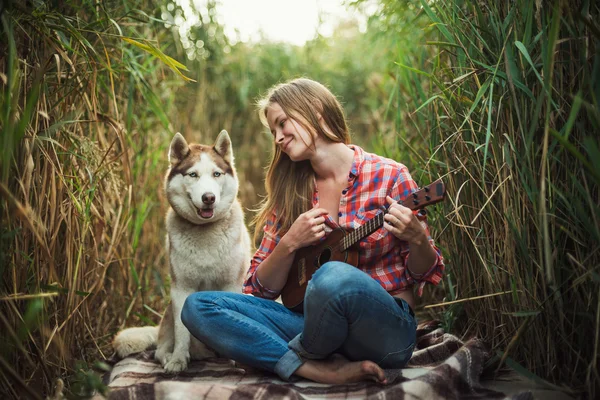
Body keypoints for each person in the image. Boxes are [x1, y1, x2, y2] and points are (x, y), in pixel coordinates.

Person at [181, 78, 444, 385]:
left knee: (332, 276)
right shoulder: (291, 193)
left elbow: (423, 272)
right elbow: (258, 290)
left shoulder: (390, 176)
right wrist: (289, 243)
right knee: (198, 306)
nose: (278, 137)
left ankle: (291, 354)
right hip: (311, 325)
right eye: (273, 132)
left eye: (282, 124)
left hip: (383, 332)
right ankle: (313, 368)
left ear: (315, 110)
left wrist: (417, 238)